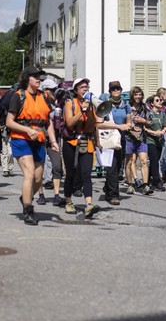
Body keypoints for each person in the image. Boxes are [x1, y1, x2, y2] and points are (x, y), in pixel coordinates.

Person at [6, 66, 58, 225]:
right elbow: (9, 122)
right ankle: (28, 210)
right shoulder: (18, 96)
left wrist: (54, 141)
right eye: (35, 76)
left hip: (39, 140)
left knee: (38, 178)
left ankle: (25, 196)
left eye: (40, 77)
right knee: (29, 173)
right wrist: (27, 130)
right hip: (21, 139)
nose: (38, 79)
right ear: (26, 78)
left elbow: (48, 122)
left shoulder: (44, 97)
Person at [62, 78, 101, 218]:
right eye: (82, 87)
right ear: (76, 90)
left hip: (87, 141)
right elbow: (70, 123)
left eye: (87, 87)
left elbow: (95, 124)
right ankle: (68, 201)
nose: (85, 89)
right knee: (71, 174)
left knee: (86, 174)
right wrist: (81, 111)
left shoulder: (92, 104)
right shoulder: (70, 103)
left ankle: (89, 204)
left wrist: (98, 141)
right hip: (71, 141)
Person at [97, 80, 131, 205]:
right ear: (110, 91)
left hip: (121, 139)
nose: (116, 91)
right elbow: (99, 123)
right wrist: (118, 126)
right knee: (112, 167)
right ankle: (113, 195)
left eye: (118, 88)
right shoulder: (105, 105)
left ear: (121, 90)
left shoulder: (125, 105)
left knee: (118, 167)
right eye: (113, 89)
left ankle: (108, 187)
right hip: (109, 139)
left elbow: (128, 121)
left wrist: (128, 126)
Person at [125, 86, 153, 195]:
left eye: (140, 94)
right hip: (129, 137)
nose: (138, 96)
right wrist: (131, 125)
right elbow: (122, 121)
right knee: (130, 162)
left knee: (144, 161)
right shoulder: (127, 107)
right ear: (132, 95)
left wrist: (143, 120)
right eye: (136, 94)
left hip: (141, 138)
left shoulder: (144, 107)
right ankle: (130, 184)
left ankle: (145, 185)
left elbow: (150, 122)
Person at [41, 78, 64, 206]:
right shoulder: (39, 103)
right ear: (45, 90)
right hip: (39, 138)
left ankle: (56, 195)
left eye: (55, 89)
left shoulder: (57, 104)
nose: (55, 92)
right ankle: (40, 194)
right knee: (39, 168)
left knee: (57, 166)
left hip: (53, 139)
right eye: (52, 90)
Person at [144, 94, 166, 192]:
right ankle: (157, 181)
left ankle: (150, 180)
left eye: (160, 100)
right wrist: (155, 132)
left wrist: (163, 131)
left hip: (160, 140)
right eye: (157, 100)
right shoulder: (149, 114)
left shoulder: (162, 113)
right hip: (150, 140)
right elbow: (145, 128)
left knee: (155, 161)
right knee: (154, 160)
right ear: (152, 103)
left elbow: (165, 125)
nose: (160, 102)